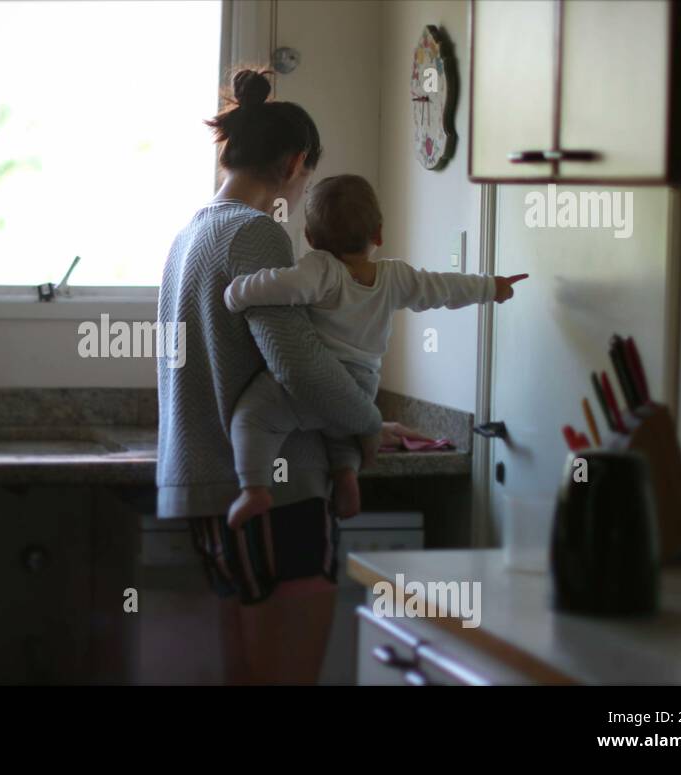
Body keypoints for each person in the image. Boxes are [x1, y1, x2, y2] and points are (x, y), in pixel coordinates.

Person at [157, 69, 380, 684]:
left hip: (210, 491)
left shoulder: (190, 234)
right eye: (307, 178)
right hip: (275, 497)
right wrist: (367, 421)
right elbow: (298, 365)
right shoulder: (254, 235)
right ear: (295, 162)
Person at [223, 174, 527, 529]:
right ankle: (347, 475)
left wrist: (238, 292)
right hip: (363, 386)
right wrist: (491, 287)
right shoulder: (395, 277)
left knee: (251, 417)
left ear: (310, 238)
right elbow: (442, 287)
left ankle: (254, 488)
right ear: (379, 234)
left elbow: (283, 287)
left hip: (318, 380)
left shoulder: (322, 269)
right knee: (340, 431)